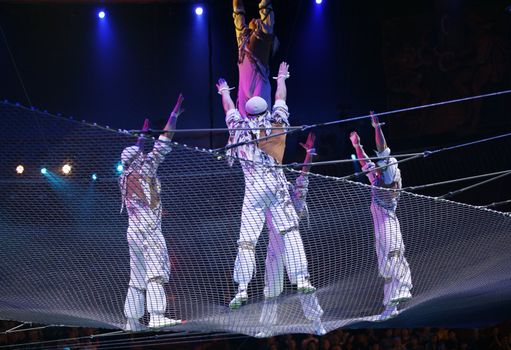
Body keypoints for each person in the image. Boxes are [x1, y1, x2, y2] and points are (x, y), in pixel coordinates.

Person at [216, 62, 315, 310]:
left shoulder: (238, 128)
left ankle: (241, 290)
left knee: (247, 242)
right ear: (265, 111)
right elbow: (281, 96)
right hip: (276, 186)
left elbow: (229, 108)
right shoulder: (277, 121)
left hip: (253, 190)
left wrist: (226, 92)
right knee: (290, 231)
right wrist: (282, 76)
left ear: (247, 114)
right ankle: (301, 278)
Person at [119, 94, 184, 331]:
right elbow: (165, 140)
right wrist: (174, 114)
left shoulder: (124, 176)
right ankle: (157, 315)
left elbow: (136, 152)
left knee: (137, 276)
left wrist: (142, 135)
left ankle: (131, 320)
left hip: (133, 232)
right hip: (149, 231)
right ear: (139, 159)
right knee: (155, 272)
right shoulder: (146, 168)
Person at [256, 132, 327, 337]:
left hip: (292, 238)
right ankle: (267, 327)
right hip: (274, 240)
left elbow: (304, 176)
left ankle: (316, 322)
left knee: (303, 283)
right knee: (271, 287)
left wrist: (310, 154)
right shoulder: (263, 190)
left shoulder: (292, 193)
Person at [349, 112, 413, 321]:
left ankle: (402, 290)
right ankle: (390, 306)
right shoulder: (378, 180)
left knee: (394, 258)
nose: (377, 167)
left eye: (382, 167)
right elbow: (366, 163)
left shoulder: (387, 184)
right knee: (385, 265)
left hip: (389, 226)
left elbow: (383, 151)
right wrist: (357, 146)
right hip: (380, 229)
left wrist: (377, 127)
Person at [233, 0, 276, 117]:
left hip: (259, 85)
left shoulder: (262, 37)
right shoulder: (243, 40)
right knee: (243, 128)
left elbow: (266, 9)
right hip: (243, 88)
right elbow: (238, 12)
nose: (253, 19)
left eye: (257, 20)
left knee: (261, 122)